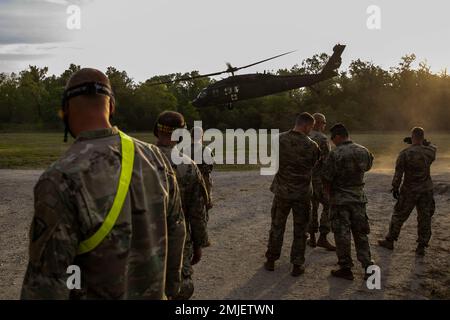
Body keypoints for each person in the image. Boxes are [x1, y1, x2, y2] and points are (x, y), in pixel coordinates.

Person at [21, 68, 186, 299]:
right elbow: (177, 229)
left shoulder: (60, 178)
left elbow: (47, 283)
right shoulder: (156, 158)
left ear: (65, 109)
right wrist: (171, 289)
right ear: (112, 106)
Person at [154, 111, 209, 299]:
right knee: (181, 289)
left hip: (144, 241)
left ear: (156, 130)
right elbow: (197, 213)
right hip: (180, 243)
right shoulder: (189, 166)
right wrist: (200, 244)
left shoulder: (137, 160)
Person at [264, 112, 319, 277]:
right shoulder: (312, 146)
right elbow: (313, 166)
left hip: (282, 191)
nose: (311, 130)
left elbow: (273, 163)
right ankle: (297, 264)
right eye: (311, 127)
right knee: (301, 230)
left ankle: (271, 260)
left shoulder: (278, 139)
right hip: (302, 194)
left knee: (277, 226)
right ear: (306, 125)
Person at [322, 123, 374, 280]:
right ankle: (368, 266)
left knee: (342, 235)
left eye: (333, 138)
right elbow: (368, 168)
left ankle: (345, 268)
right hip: (358, 199)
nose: (332, 141)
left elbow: (326, 179)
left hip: (340, 201)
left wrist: (329, 196)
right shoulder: (364, 151)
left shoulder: (335, 154)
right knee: (361, 234)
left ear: (338, 136)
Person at [378, 127, 436, 256]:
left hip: (409, 189)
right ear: (422, 137)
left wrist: (395, 187)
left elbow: (399, 173)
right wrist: (424, 142)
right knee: (425, 217)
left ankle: (390, 240)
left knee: (399, 215)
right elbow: (433, 146)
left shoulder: (405, 153)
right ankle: (421, 246)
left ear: (412, 137)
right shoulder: (430, 152)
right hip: (426, 189)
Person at [307, 113, 335, 251]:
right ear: (318, 123)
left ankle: (311, 238)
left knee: (312, 207)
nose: (325, 126)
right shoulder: (322, 138)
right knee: (328, 205)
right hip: (318, 179)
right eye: (324, 123)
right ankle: (323, 237)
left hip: (306, 179)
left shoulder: (304, 135)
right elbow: (327, 161)